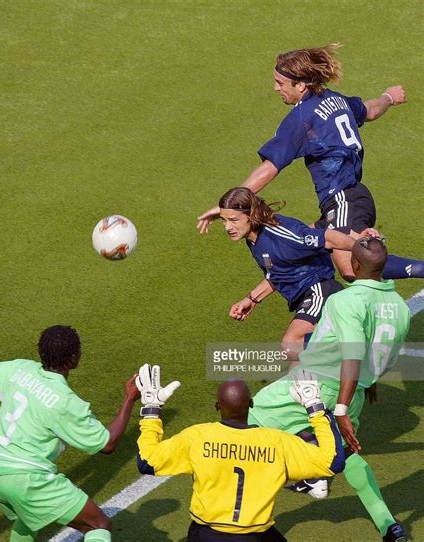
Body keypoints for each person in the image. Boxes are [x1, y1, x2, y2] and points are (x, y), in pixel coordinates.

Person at [197, 44, 423, 282]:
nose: (275, 88)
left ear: (300, 85)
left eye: (280, 83)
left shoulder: (302, 117)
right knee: (301, 242)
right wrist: (388, 97)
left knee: (351, 267)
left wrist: (231, 205)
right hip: (346, 198)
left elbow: (270, 167)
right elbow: (370, 111)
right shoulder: (335, 100)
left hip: (343, 198)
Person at [248, 237, 410, 542]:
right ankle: (389, 525)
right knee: (346, 453)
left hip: (316, 382)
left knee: (245, 422)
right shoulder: (400, 307)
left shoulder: (344, 301)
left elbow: (352, 352)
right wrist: (367, 385)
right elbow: (384, 354)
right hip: (356, 390)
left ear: (356, 266)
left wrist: (341, 408)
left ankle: (257, 511)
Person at [135, 364, 345, 541]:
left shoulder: (197, 437)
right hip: (256, 535)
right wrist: (315, 407)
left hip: (206, 535)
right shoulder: (278, 442)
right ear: (251, 404)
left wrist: (151, 408)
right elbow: (333, 461)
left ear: (217, 406)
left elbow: (147, 461)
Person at [0, 325, 139, 542]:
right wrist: (129, 399)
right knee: (98, 524)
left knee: (29, 517)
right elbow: (107, 444)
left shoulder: (19, 369)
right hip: (27, 479)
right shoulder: (65, 402)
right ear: (73, 358)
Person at [218, 187, 375, 365]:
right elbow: (279, 272)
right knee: (297, 365)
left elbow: (328, 237)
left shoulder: (283, 234)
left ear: (250, 214)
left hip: (319, 290)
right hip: (307, 295)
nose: (228, 227)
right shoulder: (253, 238)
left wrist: (361, 247)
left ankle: (354, 348)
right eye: (223, 221)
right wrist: (252, 299)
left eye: (233, 220)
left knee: (291, 343)